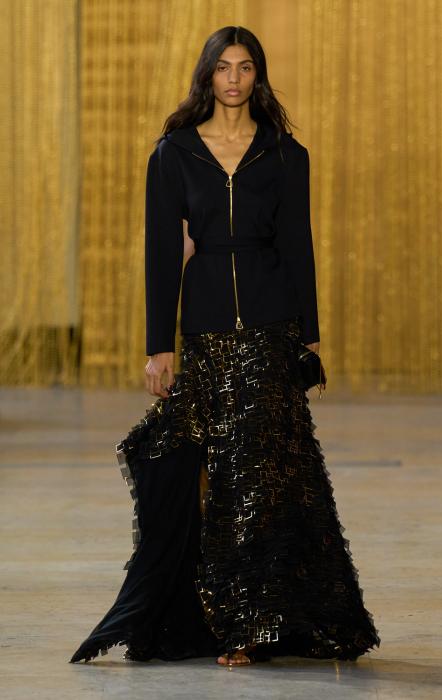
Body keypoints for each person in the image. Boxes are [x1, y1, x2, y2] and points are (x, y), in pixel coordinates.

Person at [70, 25, 381, 668]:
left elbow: (299, 246)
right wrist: (158, 347)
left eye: (244, 67)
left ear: (257, 75)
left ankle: (265, 623)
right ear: (207, 75)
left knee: (270, 477)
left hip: (271, 329)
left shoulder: (285, 154)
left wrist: (309, 337)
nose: (234, 79)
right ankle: (220, 616)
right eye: (223, 67)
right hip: (206, 332)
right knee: (216, 476)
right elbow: (163, 254)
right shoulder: (175, 152)